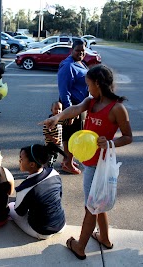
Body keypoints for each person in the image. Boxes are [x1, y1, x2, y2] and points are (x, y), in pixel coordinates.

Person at [42, 64, 133, 260]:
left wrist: (109, 143)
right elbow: (75, 109)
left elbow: (127, 137)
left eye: (88, 84)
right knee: (96, 203)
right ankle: (105, 239)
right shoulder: (91, 101)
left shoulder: (117, 108)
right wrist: (57, 117)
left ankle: (80, 246)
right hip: (89, 161)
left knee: (90, 206)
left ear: (98, 84)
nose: (86, 89)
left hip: (99, 165)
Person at [8, 144, 66, 240]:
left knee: (11, 206)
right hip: (61, 224)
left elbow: (20, 212)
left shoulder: (25, 188)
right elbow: (59, 195)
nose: (19, 161)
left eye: (21, 159)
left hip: (42, 231)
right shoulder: (54, 173)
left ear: (32, 164)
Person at [57, 39, 89, 174]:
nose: (81, 53)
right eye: (78, 51)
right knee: (71, 137)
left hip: (80, 105)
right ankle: (68, 163)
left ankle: (66, 160)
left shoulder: (79, 63)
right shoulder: (68, 66)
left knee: (72, 135)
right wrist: (70, 112)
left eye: (83, 51)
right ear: (72, 50)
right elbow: (64, 91)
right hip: (73, 106)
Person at [43, 101, 67, 167]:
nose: (57, 111)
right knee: (50, 157)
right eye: (55, 109)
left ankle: (48, 166)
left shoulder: (61, 119)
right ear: (51, 110)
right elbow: (45, 133)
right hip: (50, 144)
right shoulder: (49, 121)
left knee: (55, 156)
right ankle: (48, 169)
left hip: (57, 144)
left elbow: (67, 122)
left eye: (59, 109)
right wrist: (52, 138)